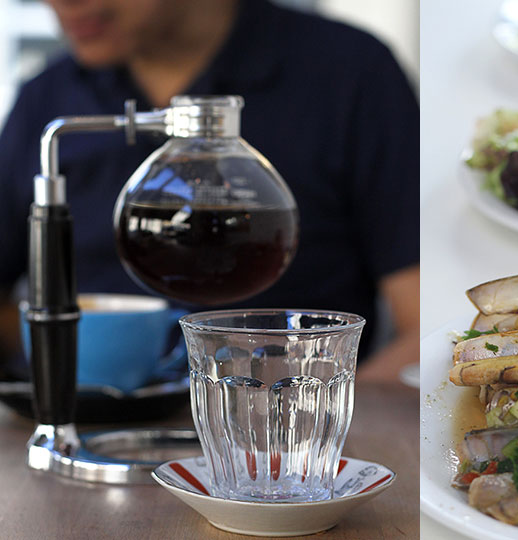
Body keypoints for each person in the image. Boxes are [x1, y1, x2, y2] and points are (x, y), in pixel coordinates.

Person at [0, 0, 419, 383]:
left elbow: (425, 325)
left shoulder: (349, 72)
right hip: (89, 421)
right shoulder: (46, 99)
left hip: (279, 439)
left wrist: (314, 421)